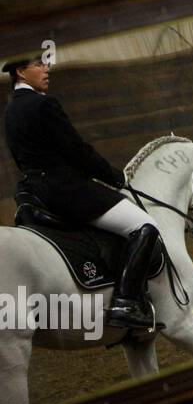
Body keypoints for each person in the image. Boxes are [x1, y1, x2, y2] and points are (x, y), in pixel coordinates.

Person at [2, 55, 161, 330]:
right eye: (38, 65)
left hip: (34, 191)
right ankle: (127, 302)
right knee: (145, 225)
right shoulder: (43, 105)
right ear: (21, 72)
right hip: (66, 191)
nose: (46, 69)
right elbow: (76, 150)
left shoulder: (10, 110)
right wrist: (114, 176)